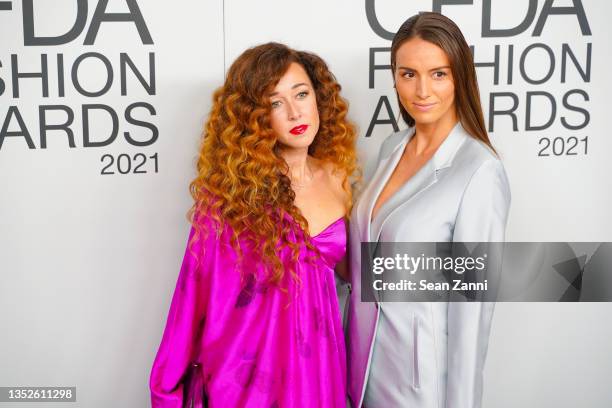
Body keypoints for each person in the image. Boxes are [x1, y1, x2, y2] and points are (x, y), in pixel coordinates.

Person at [150, 42, 358, 407]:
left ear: (318, 98)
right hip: (249, 382)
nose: (295, 113)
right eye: (275, 103)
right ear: (255, 117)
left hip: (320, 371)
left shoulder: (338, 180)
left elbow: (353, 276)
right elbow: (193, 298)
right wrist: (167, 387)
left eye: (301, 94)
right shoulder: (230, 199)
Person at [346, 12, 511, 408]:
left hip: (419, 385)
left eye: (439, 74)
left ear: (460, 78)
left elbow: (472, 314)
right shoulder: (391, 149)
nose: (422, 90)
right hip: (359, 367)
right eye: (408, 74)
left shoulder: (480, 170)